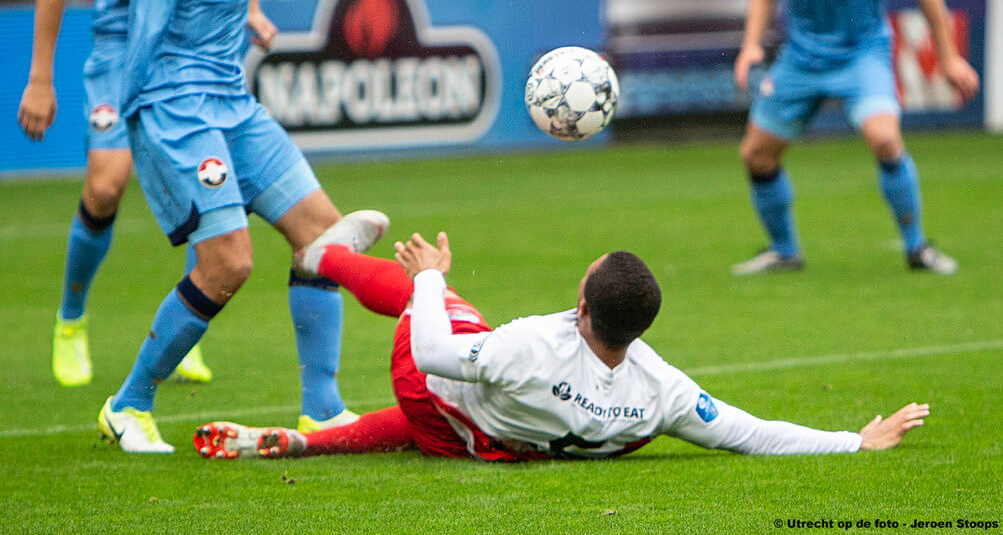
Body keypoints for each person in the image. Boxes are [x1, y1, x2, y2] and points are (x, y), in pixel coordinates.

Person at [95, 0, 389, 454]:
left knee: (325, 240)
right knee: (227, 264)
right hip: (172, 96)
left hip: (227, 94)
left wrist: (250, 11)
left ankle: (322, 407)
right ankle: (128, 405)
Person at [193, 231, 930, 461]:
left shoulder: (529, 346)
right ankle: (303, 444)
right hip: (473, 443)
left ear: (581, 306)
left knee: (447, 308)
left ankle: (322, 259)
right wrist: (850, 443)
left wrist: (428, 281)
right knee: (444, 416)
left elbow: (433, 357)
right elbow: (745, 431)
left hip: (436, 393)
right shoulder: (659, 391)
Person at [17, 0, 227, 389]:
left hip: (190, 49)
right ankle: (71, 319)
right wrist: (39, 78)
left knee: (207, 181)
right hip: (118, 45)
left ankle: (184, 331)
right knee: (107, 185)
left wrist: (253, 7)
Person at [731, 0, 980, 277]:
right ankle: (785, 252)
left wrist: (948, 58)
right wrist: (751, 44)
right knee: (756, 155)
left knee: (885, 139)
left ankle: (917, 247)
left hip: (861, 56)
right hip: (801, 58)